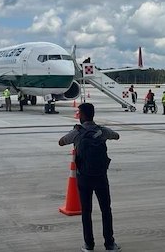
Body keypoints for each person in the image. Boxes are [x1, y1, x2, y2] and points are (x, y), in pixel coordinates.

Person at [59, 103, 121, 252]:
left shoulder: (77, 132)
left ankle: (89, 244)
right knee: (106, 209)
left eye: (79, 113)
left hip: (84, 177)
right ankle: (110, 244)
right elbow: (117, 136)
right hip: (100, 176)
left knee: (86, 211)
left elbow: (61, 141)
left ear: (83, 115)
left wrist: (75, 133)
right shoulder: (102, 130)